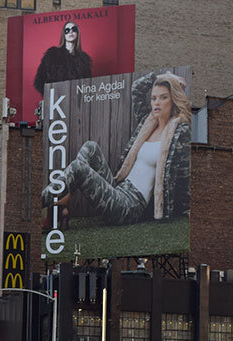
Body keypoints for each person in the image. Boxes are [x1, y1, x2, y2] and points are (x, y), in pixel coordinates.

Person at [47, 70, 192, 226]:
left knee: (77, 168)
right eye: (154, 98)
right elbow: (137, 88)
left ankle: (45, 201)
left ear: (173, 100)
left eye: (164, 97)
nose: (157, 102)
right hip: (119, 188)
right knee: (91, 147)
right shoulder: (147, 122)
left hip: (130, 206)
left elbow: (184, 176)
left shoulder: (179, 132)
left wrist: (186, 210)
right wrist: (163, 77)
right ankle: (61, 205)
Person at [32, 21, 93, 96]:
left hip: (77, 102)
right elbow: (39, 81)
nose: (70, 32)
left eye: (74, 29)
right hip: (57, 101)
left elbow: (88, 85)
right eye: (67, 30)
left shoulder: (84, 59)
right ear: (63, 35)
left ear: (78, 33)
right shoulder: (52, 54)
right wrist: (52, 96)